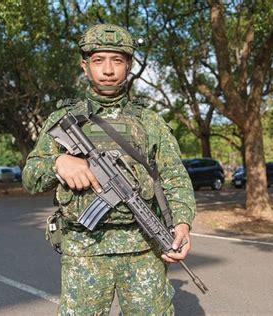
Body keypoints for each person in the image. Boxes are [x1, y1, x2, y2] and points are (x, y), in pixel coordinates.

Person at [22, 24, 196, 315]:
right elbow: (30, 176)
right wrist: (58, 163)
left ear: (128, 66)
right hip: (84, 248)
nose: (108, 70)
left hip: (143, 246)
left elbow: (174, 177)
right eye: (98, 60)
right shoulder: (62, 119)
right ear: (85, 65)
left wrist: (182, 224)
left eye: (117, 60)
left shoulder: (149, 122)